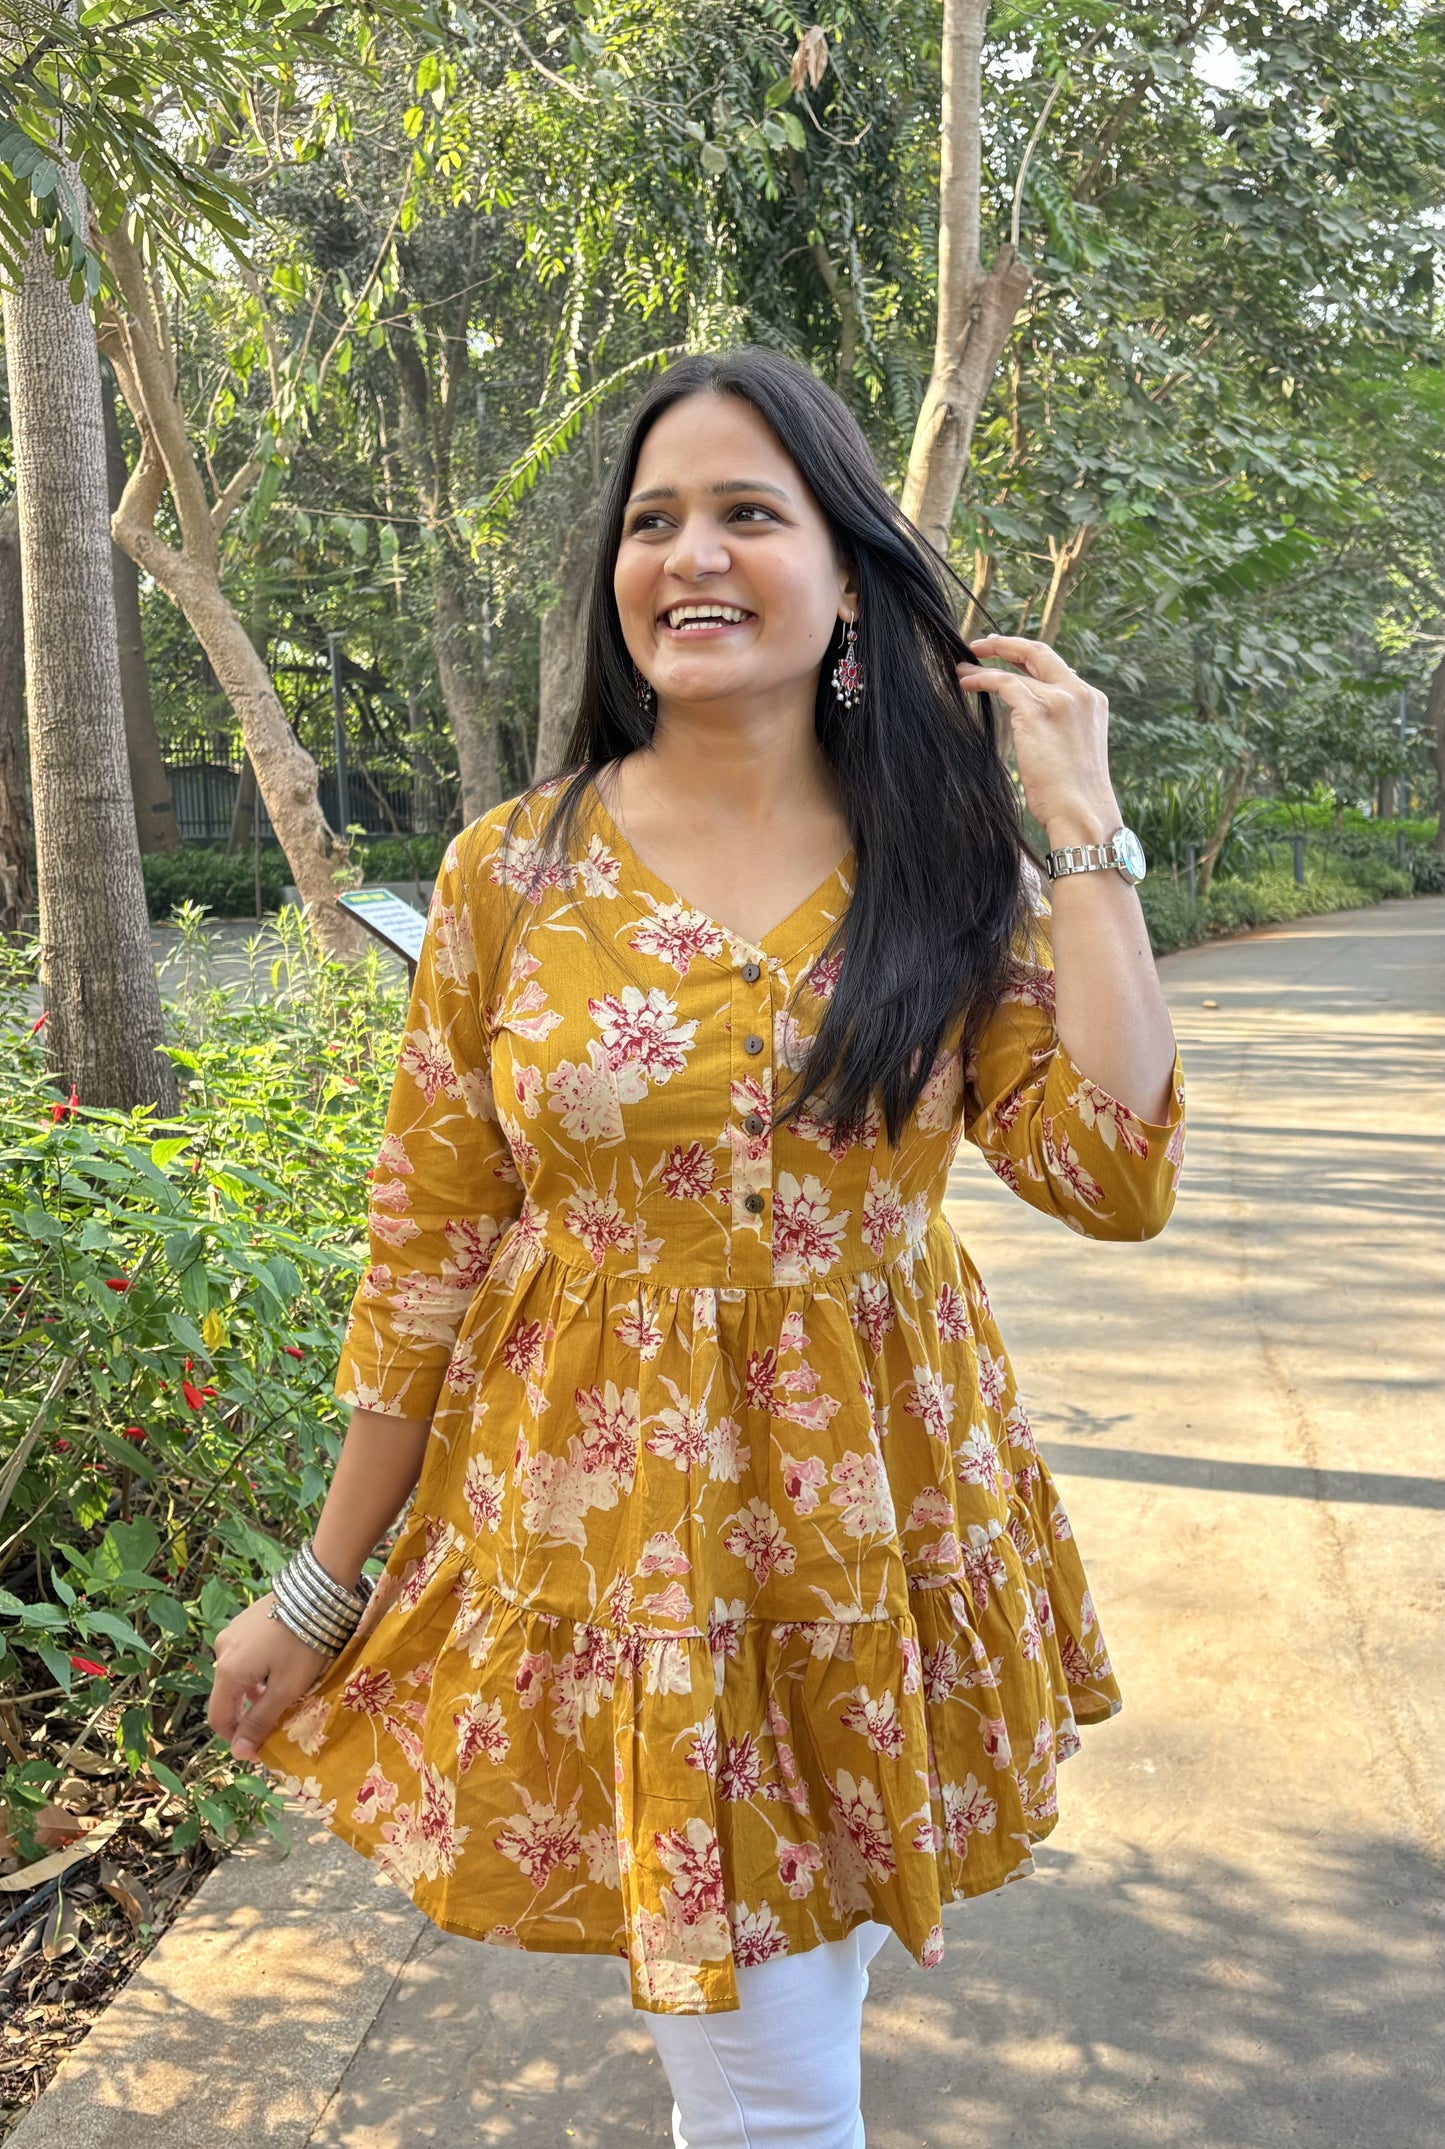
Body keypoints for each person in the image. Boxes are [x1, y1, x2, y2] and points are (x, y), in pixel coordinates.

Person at [209, 346, 1185, 2147]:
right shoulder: (512, 872)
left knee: (768, 2072)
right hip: (623, 1560)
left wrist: (1082, 834)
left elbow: (1112, 1170)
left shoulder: (950, 865)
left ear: (842, 578)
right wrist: (320, 1586)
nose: (692, 555)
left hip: (862, 1548)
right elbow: (422, 1255)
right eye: (654, 520)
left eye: (750, 511)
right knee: (765, 2086)